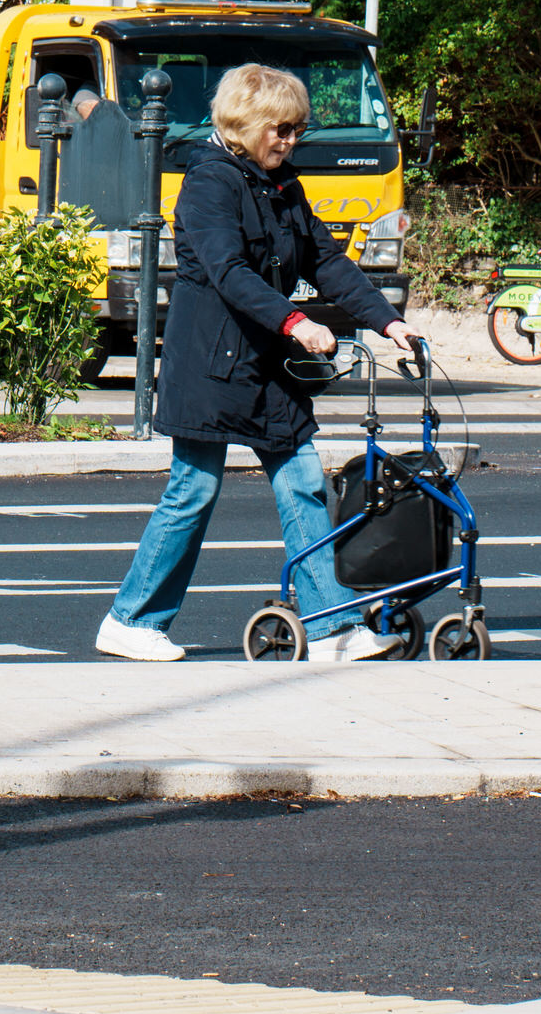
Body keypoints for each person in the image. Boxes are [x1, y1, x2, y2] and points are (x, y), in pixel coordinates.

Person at [95, 63, 425, 663]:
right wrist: (296, 322)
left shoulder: (280, 186)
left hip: (267, 366)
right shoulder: (209, 183)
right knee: (192, 491)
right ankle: (131, 620)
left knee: (303, 484)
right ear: (244, 124)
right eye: (280, 129)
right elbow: (228, 273)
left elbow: (325, 260)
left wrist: (388, 320)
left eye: (297, 129)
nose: (291, 140)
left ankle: (331, 628)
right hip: (211, 367)